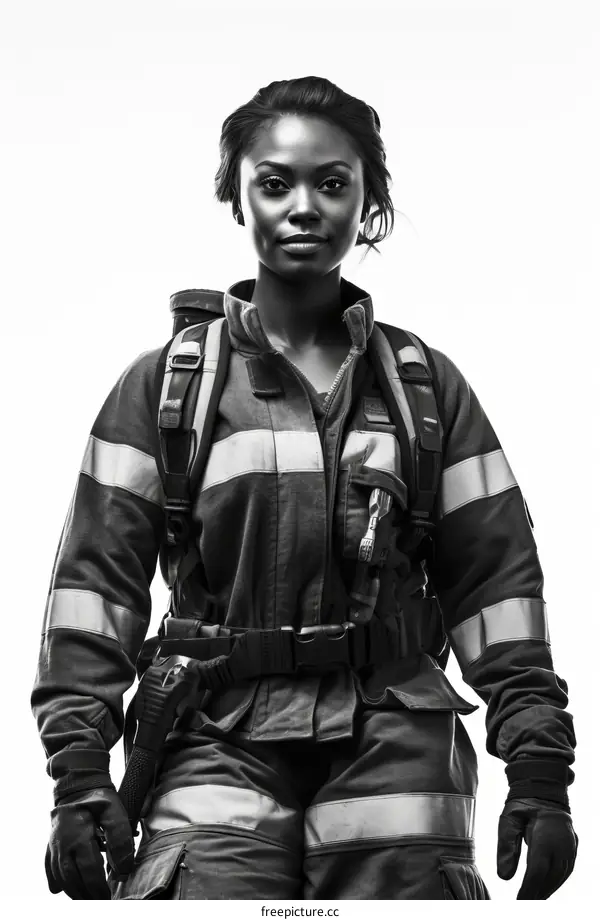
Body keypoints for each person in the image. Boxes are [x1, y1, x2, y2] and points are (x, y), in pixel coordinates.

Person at [32, 76, 577, 901]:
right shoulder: (167, 390)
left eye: (333, 183)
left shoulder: (426, 387)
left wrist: (537, 766)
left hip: (397, 740)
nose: (303, 206)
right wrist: (78, 778)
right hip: (213, 737)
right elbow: (92, 591)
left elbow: (496, 586)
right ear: (236, 198)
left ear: (369, 205)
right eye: (274, 182)